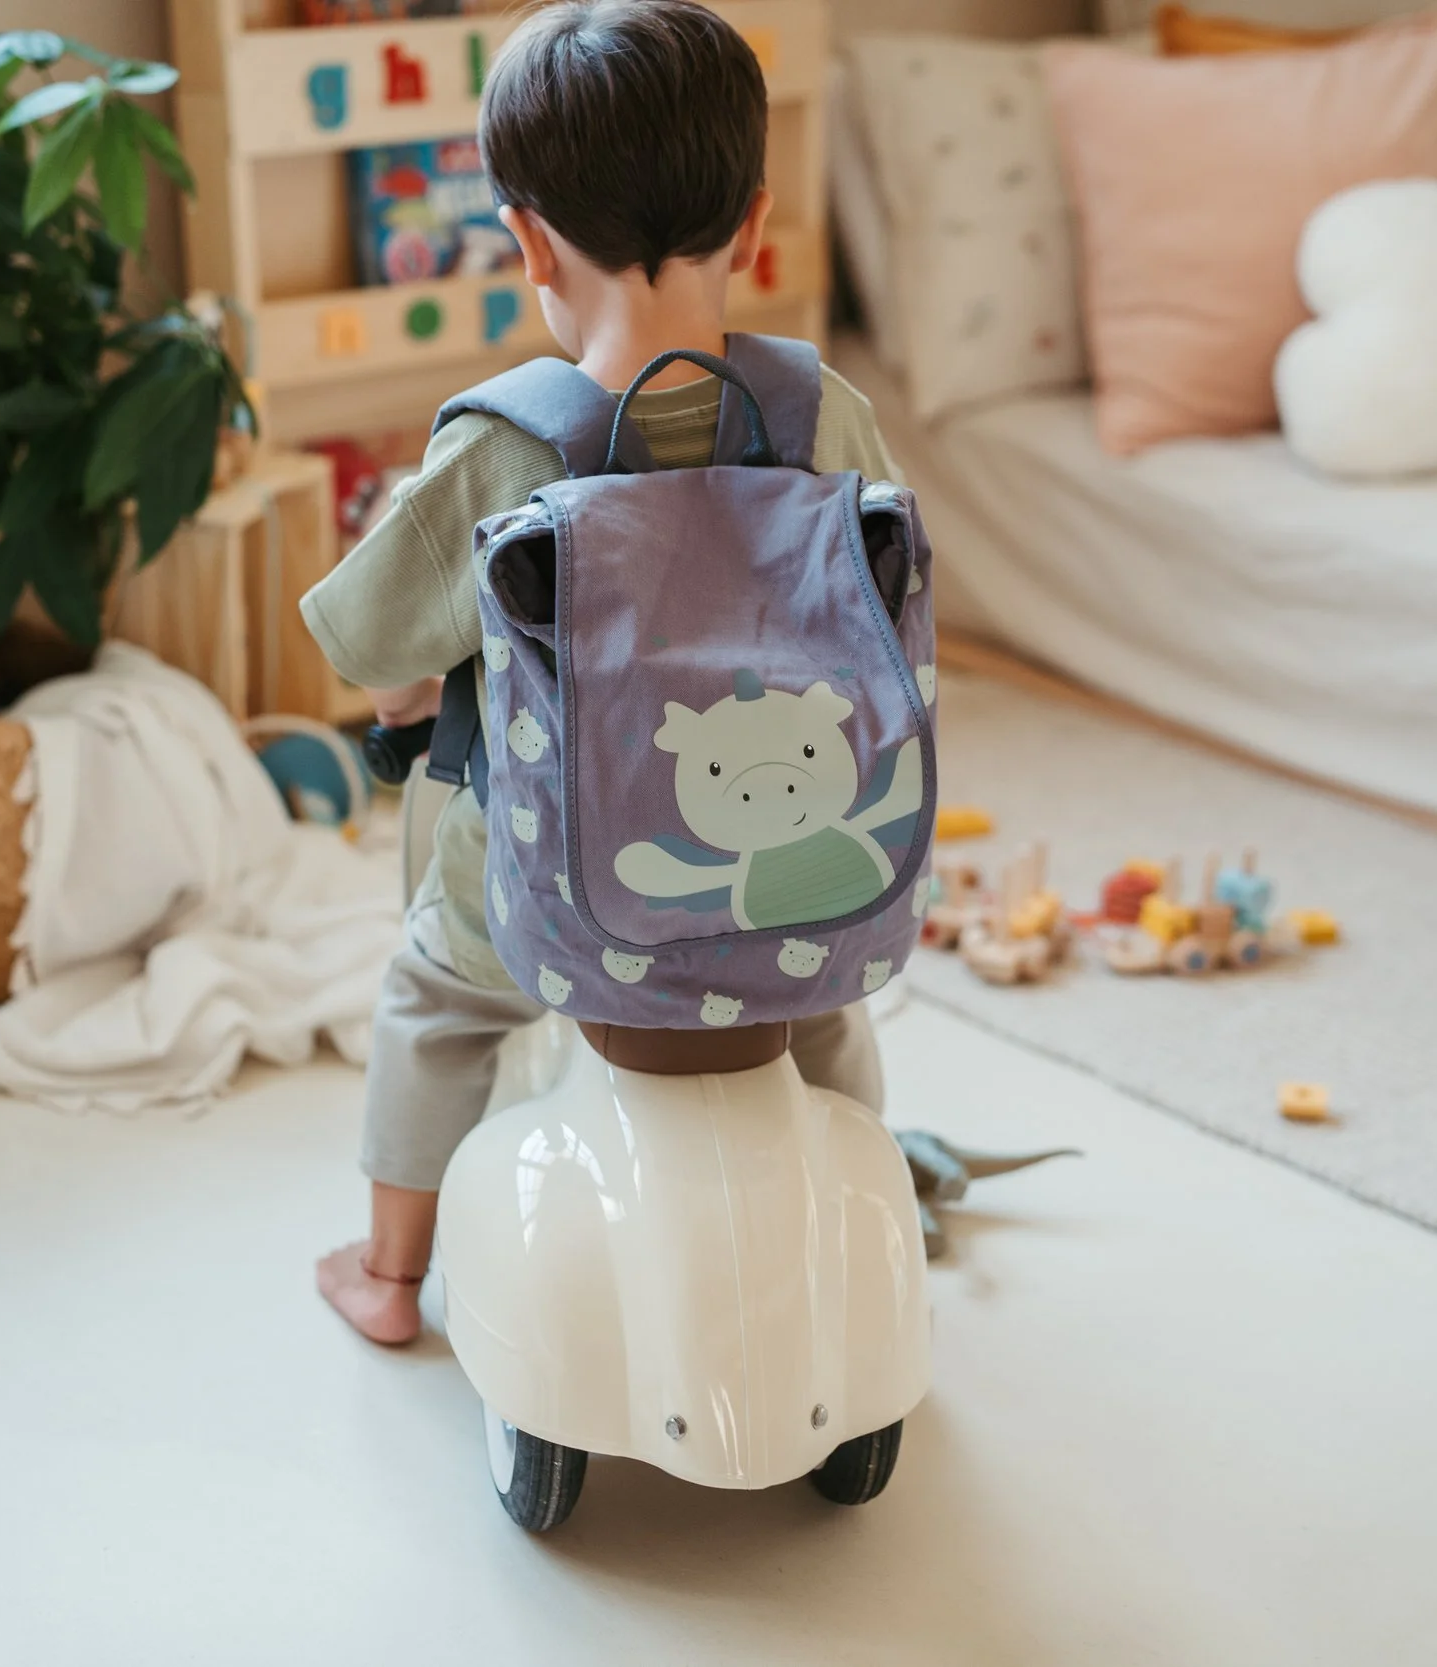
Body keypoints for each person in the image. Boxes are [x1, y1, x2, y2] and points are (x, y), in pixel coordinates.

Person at [300, 0, 904, 1344]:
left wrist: (413, 694)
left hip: (547, 894)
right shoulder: (826, 416)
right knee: (826, 1003)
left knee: (436, 996)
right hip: (794, 868)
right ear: (754, 224)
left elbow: (371, 641)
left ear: (523, 240)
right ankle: (866, 1207)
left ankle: (392, 1274)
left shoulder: (506, 446)